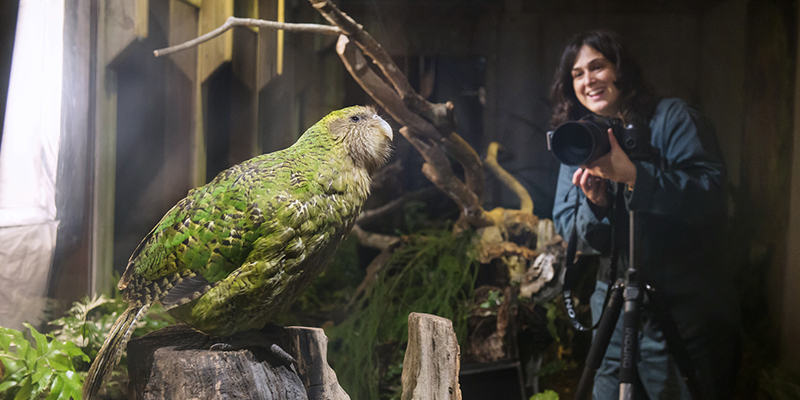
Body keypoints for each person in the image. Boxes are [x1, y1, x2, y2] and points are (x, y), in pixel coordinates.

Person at [550, 30, 741, 399]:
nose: (587, 80)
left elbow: (711, 197)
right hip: (613, 305)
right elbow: (567, 223)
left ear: (620, 69)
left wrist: (636, 177)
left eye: (597, 66)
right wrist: (597, 205)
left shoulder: (673, 119)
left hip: (679, 306)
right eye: (577, 73)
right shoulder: (579, 139)